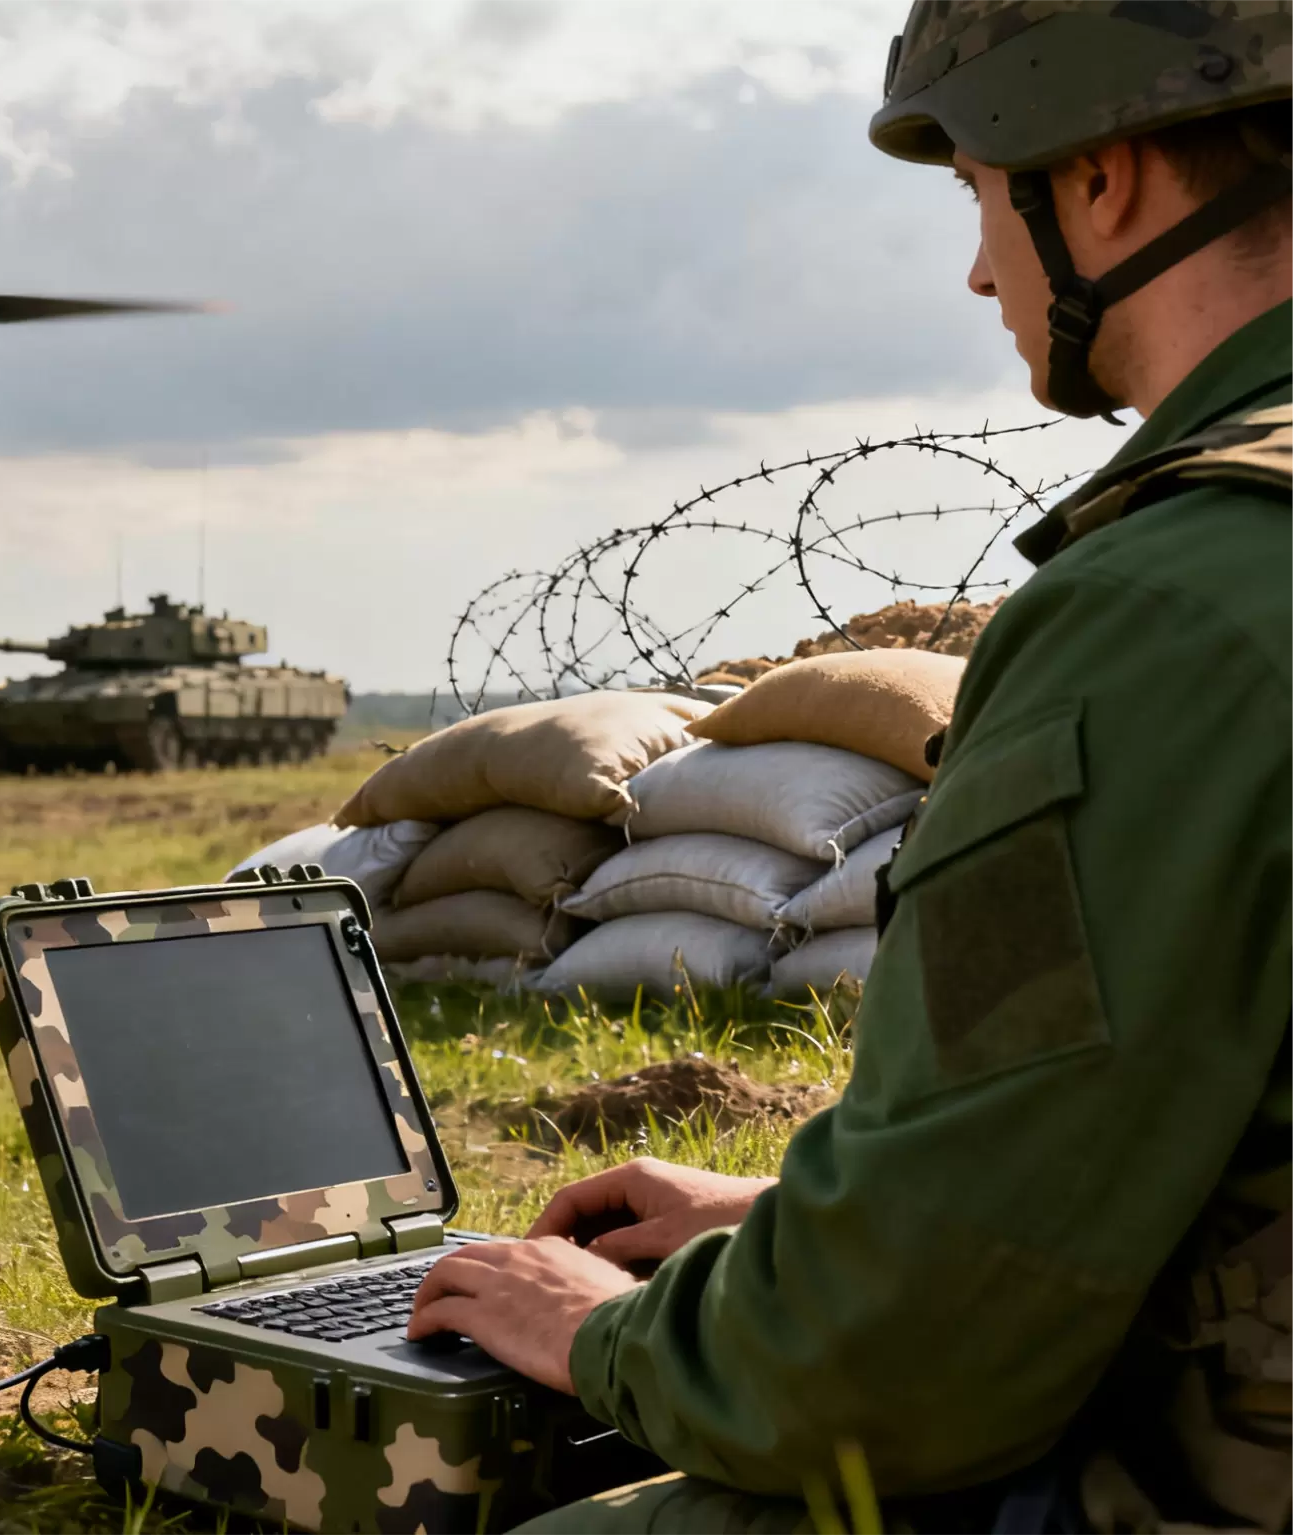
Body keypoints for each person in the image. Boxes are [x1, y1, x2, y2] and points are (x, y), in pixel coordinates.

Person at [406, 3, 1293, 1530]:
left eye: (975, 191)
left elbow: (882, 1379)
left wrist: (605, 1326)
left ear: (1101, 179)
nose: (973, 269)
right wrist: (798, 1223)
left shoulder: (1172, 608)